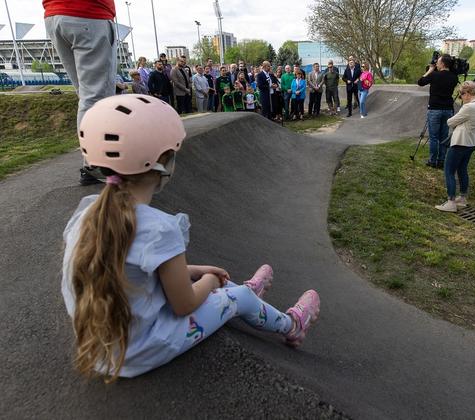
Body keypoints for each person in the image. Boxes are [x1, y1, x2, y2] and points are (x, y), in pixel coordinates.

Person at [62, 94, 320, 381]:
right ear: (163, 163)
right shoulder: (160, 229)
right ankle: (290, 324)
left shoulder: (90, 217)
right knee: (240, 297)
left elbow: (132, 273)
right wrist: (209, 282)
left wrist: (197, 271)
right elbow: (183, 305)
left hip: (103, 350)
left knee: (205, 279)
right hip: (142, 349)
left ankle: (242, 298)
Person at [43, 0, 117, 186]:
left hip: (55, 15)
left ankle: (93, 161)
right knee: (96, 99)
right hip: (89, 14)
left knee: (86, 96)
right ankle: (96, 164)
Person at [435, 81, 475, 212]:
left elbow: (450, 122)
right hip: (471, 142)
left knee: (449, 171)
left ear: (468, 93)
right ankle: (462, 198)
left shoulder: (469, 107)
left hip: (460, 142)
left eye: (461, 94)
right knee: (462, 170)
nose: (460, 97)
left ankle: (451, 202)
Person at [417, 54, 459, 169]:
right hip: (448, 110)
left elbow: (420, 82)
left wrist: (430, 70)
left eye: (438, 62)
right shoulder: (454, 77)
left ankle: (432, 160)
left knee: (434, 137)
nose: (436, 64)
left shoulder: (434, 75)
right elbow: (454, 72)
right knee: (443, 136)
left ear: (443, 64)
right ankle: (441, 161)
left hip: (434, 109)